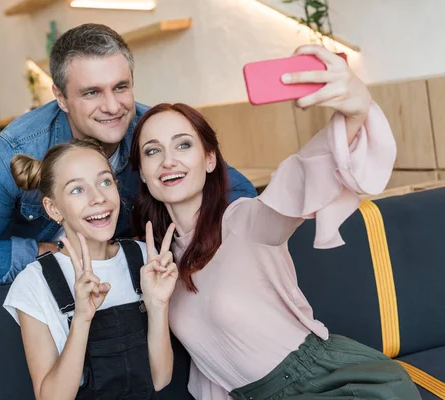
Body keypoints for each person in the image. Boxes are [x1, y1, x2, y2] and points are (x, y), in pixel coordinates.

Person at [130, 45, 421, 400]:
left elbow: (298, 177)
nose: (168, 161)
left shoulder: (245, 221)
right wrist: (156, 303)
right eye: (152, 151)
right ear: (142, 174)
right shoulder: (159, 263)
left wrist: (356, 112)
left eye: (183, 145)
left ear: (209, 160)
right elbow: (169, 376)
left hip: (326, 381)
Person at [0, 23, 256, 284]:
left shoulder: (150, 133)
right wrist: (61, 253)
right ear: (61, 98)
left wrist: (184, 251)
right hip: (31, 267)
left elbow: (239, 193)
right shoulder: (18, 148)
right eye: (92, 92)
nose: (112, 107)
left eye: (120, 87)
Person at [3, 138, 181, 399]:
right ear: (53, 209)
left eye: (105, 182)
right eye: (77, 190)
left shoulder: (145, 259)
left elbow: (160, 378)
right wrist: (82, 319)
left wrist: (157, 305)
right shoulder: (33, 284)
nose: (99, 198)